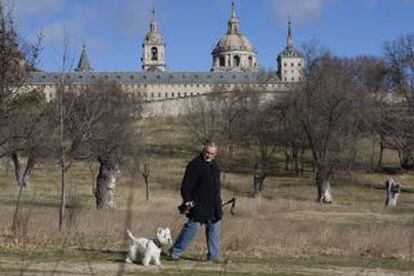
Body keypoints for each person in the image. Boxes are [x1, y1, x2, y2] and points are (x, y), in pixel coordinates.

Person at [169, 140, 222, 262]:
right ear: (203, 150)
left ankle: (213, 258)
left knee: (214, 231)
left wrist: (218, 202)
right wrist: (187, 200)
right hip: (198, 206)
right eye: (207, 152)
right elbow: (185, 186)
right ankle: (175, 252)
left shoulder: (215, 167)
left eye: (212, 153)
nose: (209, 155)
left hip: (214, 206)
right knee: (191, 230)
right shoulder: (195, 164)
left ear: (215, 154)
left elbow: (216, 188)